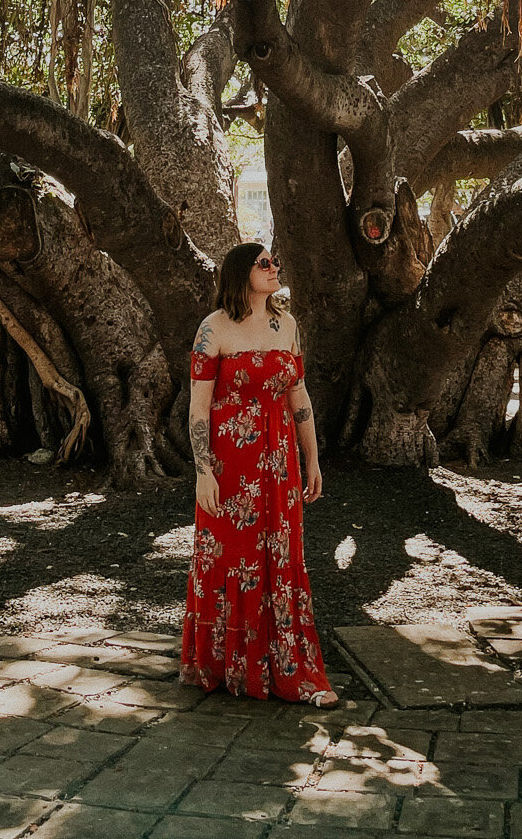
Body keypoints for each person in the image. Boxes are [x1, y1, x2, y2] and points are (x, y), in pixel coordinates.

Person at [180, 240, 337, 706]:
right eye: (264, 263)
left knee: (280, 558)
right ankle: (224, 664)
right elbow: (198, 409)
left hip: (279, 463)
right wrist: (203, 471)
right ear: (239, 273)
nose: (274, 268)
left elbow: (299, 395)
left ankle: (288, 668)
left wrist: (312, 459)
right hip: (230, 465)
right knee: (232, 558)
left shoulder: (286, 324)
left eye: (275, 262)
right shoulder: (213, 330)